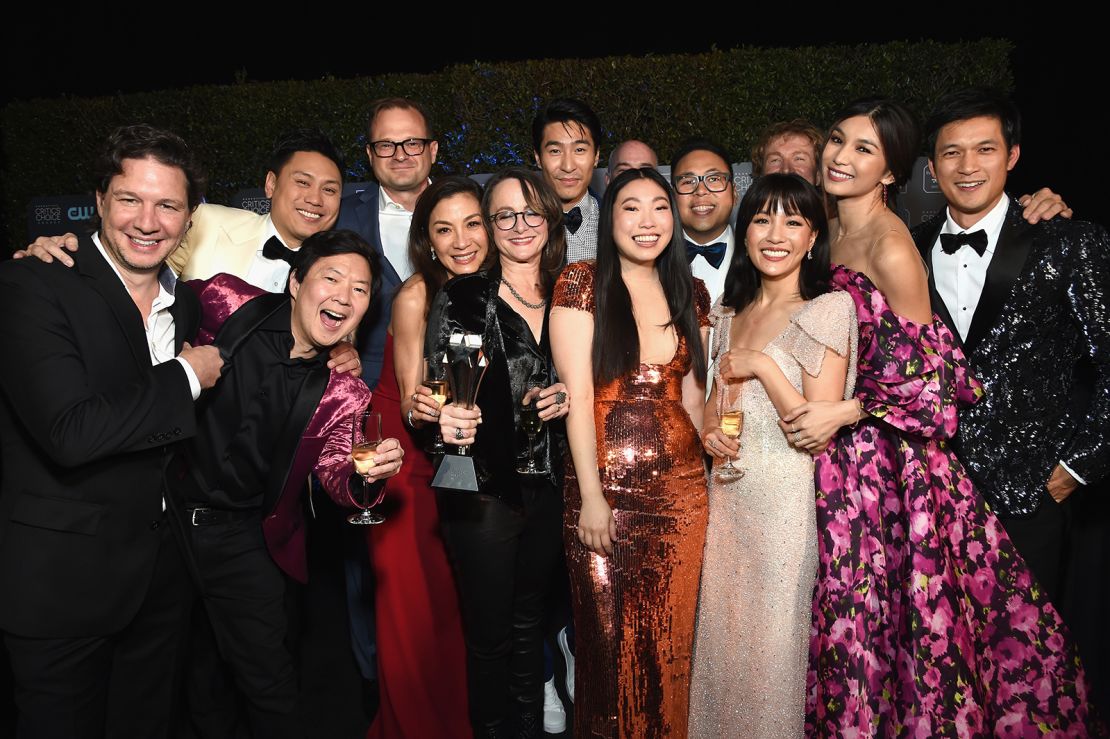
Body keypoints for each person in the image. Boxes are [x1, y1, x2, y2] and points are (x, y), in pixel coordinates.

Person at [785, 97, 1094, 735]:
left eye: (864, 149)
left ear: (894, 170)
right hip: (850, 467)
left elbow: (938, 382)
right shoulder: (848, 231)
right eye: (838, 140)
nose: (842, 157)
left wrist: (1071, 471)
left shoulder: (894, 247)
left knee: (943, 648)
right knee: (886, 643)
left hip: (902, 474)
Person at [0, 123, 223, 738]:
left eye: (168, 205)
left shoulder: (189, 307)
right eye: (130, 199)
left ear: (189, 217)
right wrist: (185, 377)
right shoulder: (34, 284)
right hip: (61, 589)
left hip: (159, 583)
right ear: (99, 201)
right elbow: (70, 432)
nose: (148, 221)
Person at [913, 87, 1110, 716]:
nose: (967, 166)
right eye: (951, 153)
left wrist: (1073, 471)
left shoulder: (1069, 241)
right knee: (940, 668)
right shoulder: (906, 250)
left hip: (1031, 499)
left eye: (985, 150)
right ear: (931, 166)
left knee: (1031, 672)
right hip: (930, 500)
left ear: (1013, 155)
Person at [171, 229, 404, 738]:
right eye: (332, 278)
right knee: (176, 675)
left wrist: (368, 475)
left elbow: (339, 474)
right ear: (297, 282)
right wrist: (67, 262)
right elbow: (146, 301)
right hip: (163, 523)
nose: (344, 295)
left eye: (361, 289)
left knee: (269, 686)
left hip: (245, 539)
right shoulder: (226, 301)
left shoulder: (343, 390)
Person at [690, 173, 855, 738]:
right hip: (728, 501)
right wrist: (710, 433)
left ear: (814, 237)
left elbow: (814, 428)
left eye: (793, 221)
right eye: (762, 219)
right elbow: (715, 402)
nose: (775, 233)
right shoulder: (728, 311)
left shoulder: (829, 309)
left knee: (772, 653)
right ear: (745, 231)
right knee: (721, 643)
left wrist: (761, 364)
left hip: (787, 507)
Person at [550, 166, 710, 737]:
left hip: (683, 492)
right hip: (605, 490)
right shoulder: (580, 283)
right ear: (610, 219)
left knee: (670, 643)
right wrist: (591, 496)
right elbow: (575, 395)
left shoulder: (692, 291)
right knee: (606, 647)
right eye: (631, 208)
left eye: (659, 207)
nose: (648, 221)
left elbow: (694, 401)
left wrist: (721, 449)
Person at [428, 167, 570, 737]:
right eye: (504, 214)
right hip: (484, 489)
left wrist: (569, 400)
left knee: (528, 621)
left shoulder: (574, 290)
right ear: (490, 226)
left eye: (531, 212)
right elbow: (444, 392)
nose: (518, 226)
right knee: (488, 638)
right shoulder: (465, 296)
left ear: (550, 219)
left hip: (554, 486)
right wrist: (443, 414)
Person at [366, 176, 486, 738]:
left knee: (453, 615)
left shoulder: (501, 288)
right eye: (444, 229)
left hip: (468, 472)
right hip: (405, 467)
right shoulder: (416, 295)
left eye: (472, 223)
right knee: (411, 615)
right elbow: (418, 396)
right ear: (427, 240)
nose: (460, 240)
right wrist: (432, 408)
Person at [338, 96, 439, 389]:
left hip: (460, 386)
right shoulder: (339, 216)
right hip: (367, 388)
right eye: (386, 145)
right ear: (370, 155)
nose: (400, 155)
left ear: (432, 150)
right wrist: (335, 345)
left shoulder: (469, 211)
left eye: (412, 142)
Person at [532, 97, 602, 263]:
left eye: (579, 150)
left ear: (596, 156)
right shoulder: (521, 227)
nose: (568, 166)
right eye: (555, 151)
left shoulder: (616, 221)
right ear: (538, 158)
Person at [671, 138, 738, 303]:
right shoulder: (652, 262)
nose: (701, 191)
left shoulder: (759, 259)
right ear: (672, 197)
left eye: (714, 179)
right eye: (688, 181)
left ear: (734, 193)